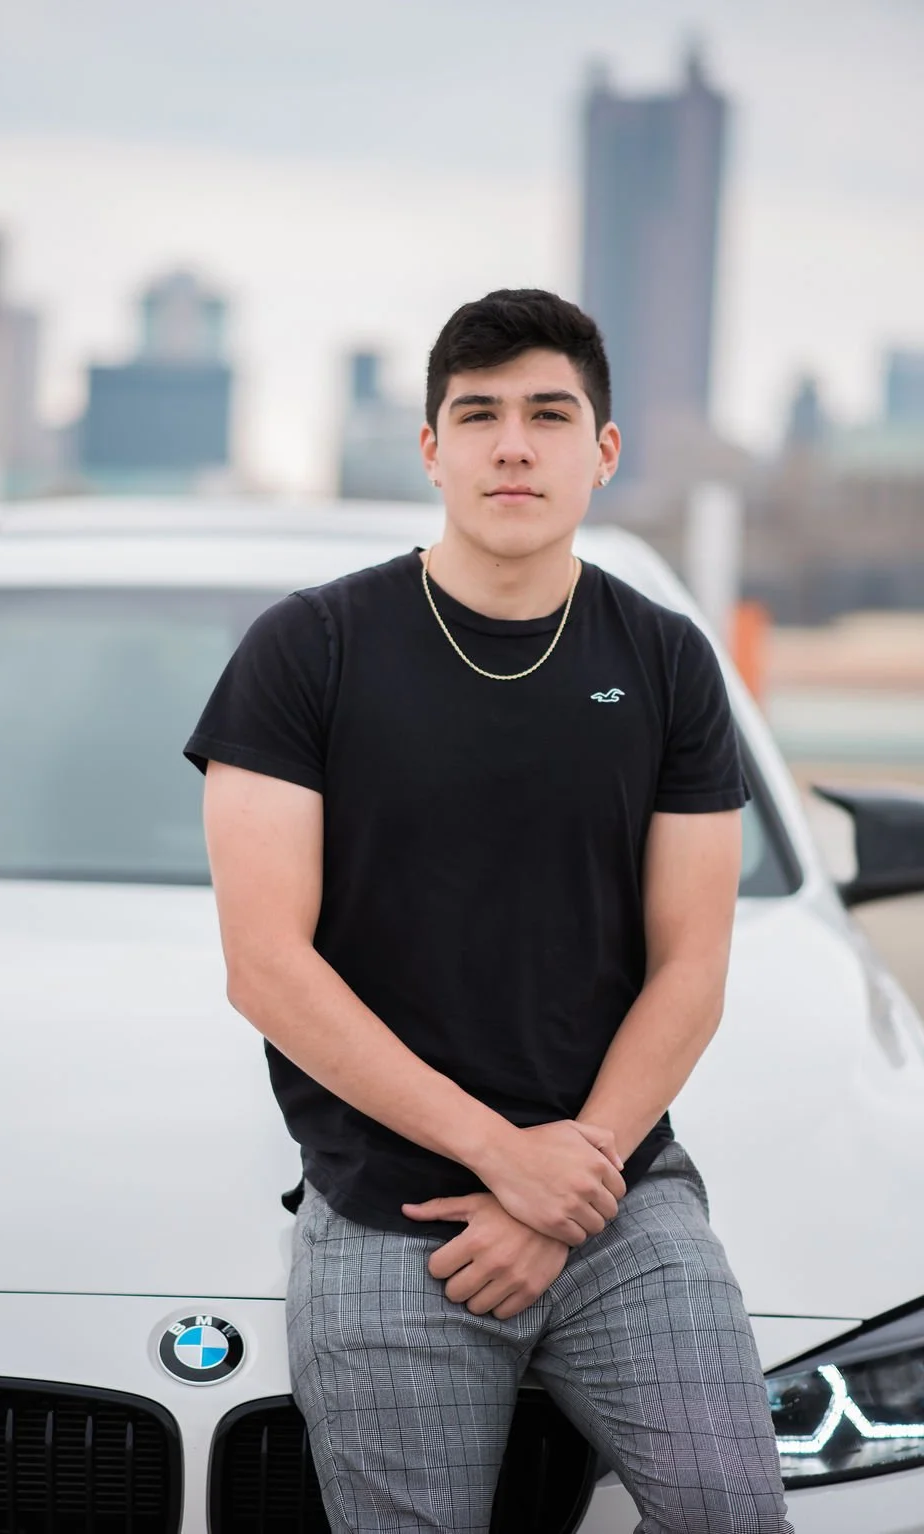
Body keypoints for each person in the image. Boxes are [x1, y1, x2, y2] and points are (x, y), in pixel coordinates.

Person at [184, 288, 792, 1534]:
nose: (513, 443)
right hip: (386, 1202)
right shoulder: (309, 650)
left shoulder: (669, 658)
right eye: (479, 414)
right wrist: (502, 1158)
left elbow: (692, 965)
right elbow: (266, 964)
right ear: (432, 447)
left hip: (619, 1193)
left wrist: (565, 1181)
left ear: (601, 450)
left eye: (548, 413)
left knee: (739, 1514)